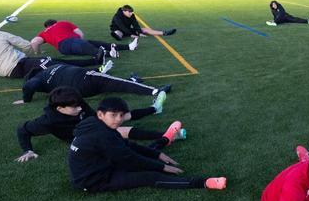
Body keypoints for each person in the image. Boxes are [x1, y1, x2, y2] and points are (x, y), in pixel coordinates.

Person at [68, 97, 224, 193]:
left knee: (142, 153)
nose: (118, 119)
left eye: (121, 115)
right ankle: (204, 183)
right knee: (149, 176)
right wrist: (161, 166)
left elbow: (126, 146)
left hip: (103, 164)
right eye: (113, 115)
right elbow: (131, 160)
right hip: (95, 181)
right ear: (100, 114)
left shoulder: (95, 124)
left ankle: (166, 139)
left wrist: (158, 155)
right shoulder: (103, 136)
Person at [16, 86, 183, 162]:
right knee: (119, 130)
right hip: (81, 135)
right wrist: (28, 150)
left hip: (91, 124)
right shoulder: (47, 121)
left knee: (120, 115)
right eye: (75, 107)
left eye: (80, 104)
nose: (80, 107)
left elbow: (89, 114)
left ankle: (154, 108)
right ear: (60, 108)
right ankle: (168, 134)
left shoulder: (79, 104)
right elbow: (22, 130)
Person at [0, 19, 104, 83]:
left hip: (8, 73)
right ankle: (96, 68)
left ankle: (94, 63)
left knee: (56, 65)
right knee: (58, 65)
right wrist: (36, 52)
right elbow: (23, 44)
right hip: (19, 64)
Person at [19, 61, 171, 105]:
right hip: (86, 79)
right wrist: (25, 99)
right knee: (118, 84)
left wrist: (26, 100)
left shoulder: (44, 76)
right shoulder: (43, 74)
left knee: (116, 85)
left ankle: (134, 81)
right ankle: (155, 91)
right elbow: (30, 86)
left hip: (82, 90)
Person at [30, 19, 135, 61]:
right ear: (55, 22)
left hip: (63, 48)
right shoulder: (63, 22)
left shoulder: (44, 32)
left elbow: (34, 42)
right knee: (93, 45)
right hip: (72, 41)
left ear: (46, 26)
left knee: (93, 45)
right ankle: (110, 53)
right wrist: (80, 42)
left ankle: (129, 47)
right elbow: (80, 33)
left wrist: (38, 52)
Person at [110, 5, 175, 40]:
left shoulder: (132, 15)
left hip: (127, 29)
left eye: (132, 12)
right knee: (118, 33)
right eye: (129, 12)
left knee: (144, 29)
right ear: (124, 11)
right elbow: (122, 27)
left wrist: (139, 32)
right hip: (118, 29)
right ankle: (117, 36)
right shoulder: (117, 16)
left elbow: (135, 24)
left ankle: (164, 33)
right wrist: (131, 35)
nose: (131, 13)